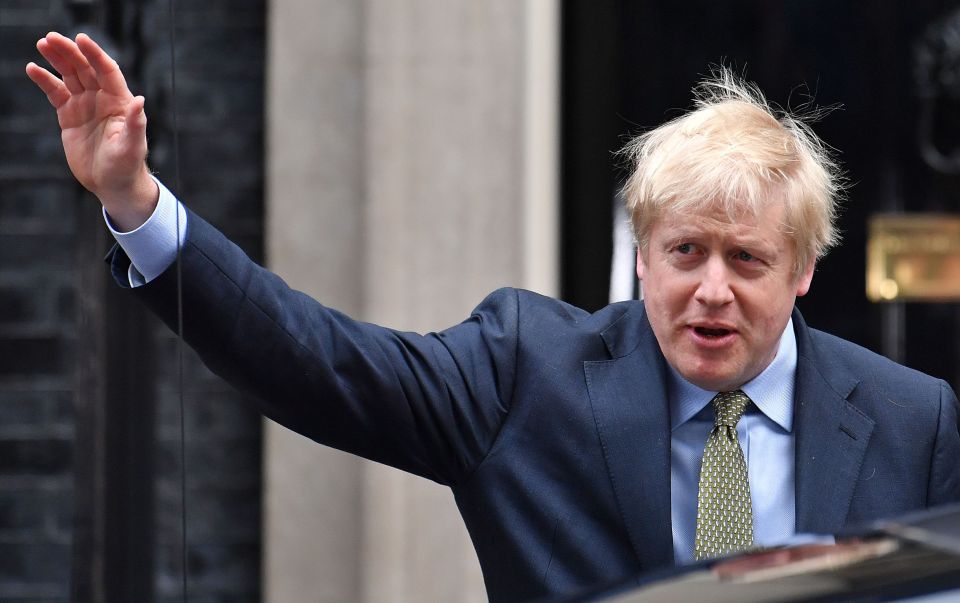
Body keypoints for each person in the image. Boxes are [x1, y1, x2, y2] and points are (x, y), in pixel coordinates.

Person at [27, 32, 960, 601]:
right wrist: (140, 204)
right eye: (684, 252)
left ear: (801, 271)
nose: (711, 288)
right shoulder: (527, 372)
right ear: (641, 258)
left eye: (746, 259)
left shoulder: (914, 420)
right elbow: (320, 363)